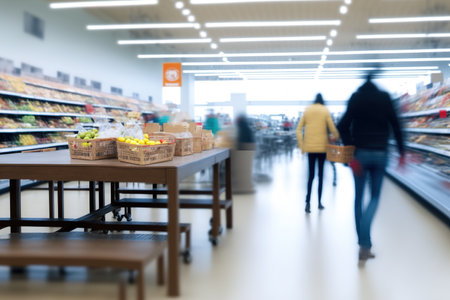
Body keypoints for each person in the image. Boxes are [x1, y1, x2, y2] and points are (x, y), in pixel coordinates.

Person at [337, 73, 405, 263]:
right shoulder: (384, 98)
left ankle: (363, 244)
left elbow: (342, 126)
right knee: (374, 197)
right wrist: (402, 153)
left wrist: (350, 149)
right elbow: (396, 125)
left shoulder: (356, 98)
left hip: (359, 155)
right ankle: (365, 241)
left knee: (358, 198)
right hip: (380, 154)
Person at [296, 93, 339, 213]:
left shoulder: (307, 110)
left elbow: (298, 129)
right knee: (320, 176)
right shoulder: (325, 110)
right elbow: (333, 130)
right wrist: (334, 136)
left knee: (311, 176)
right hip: (322, 149)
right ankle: (319, 202)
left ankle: (307, 203)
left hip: (310, 149)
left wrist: (302, 146)